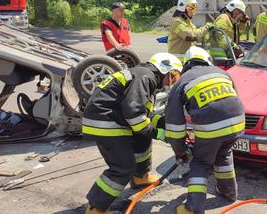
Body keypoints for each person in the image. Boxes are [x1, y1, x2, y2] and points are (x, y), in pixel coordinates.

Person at [82, 53, 183, 214]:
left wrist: (165, 123)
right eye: (175, 77)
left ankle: (140, 177)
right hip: (105, 123)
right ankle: (95, 208)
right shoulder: (145, 77)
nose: (172, 83)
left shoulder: (145, 76)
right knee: (122, 167)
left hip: (114, 119)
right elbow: (134, 113)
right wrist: (160, 134)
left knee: (142, 141)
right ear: (167, 71)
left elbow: (145, 113)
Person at [164, 46, 245, 214]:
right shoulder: (222, 73)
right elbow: (234, 99)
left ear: (186, 64)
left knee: (201, 162)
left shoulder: (182, 81)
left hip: (211, 129)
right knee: (223, 153)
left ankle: (193, 208)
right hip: (237, 123)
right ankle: (228, 192)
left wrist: (180, 151)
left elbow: (174, 125)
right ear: (207, 60)